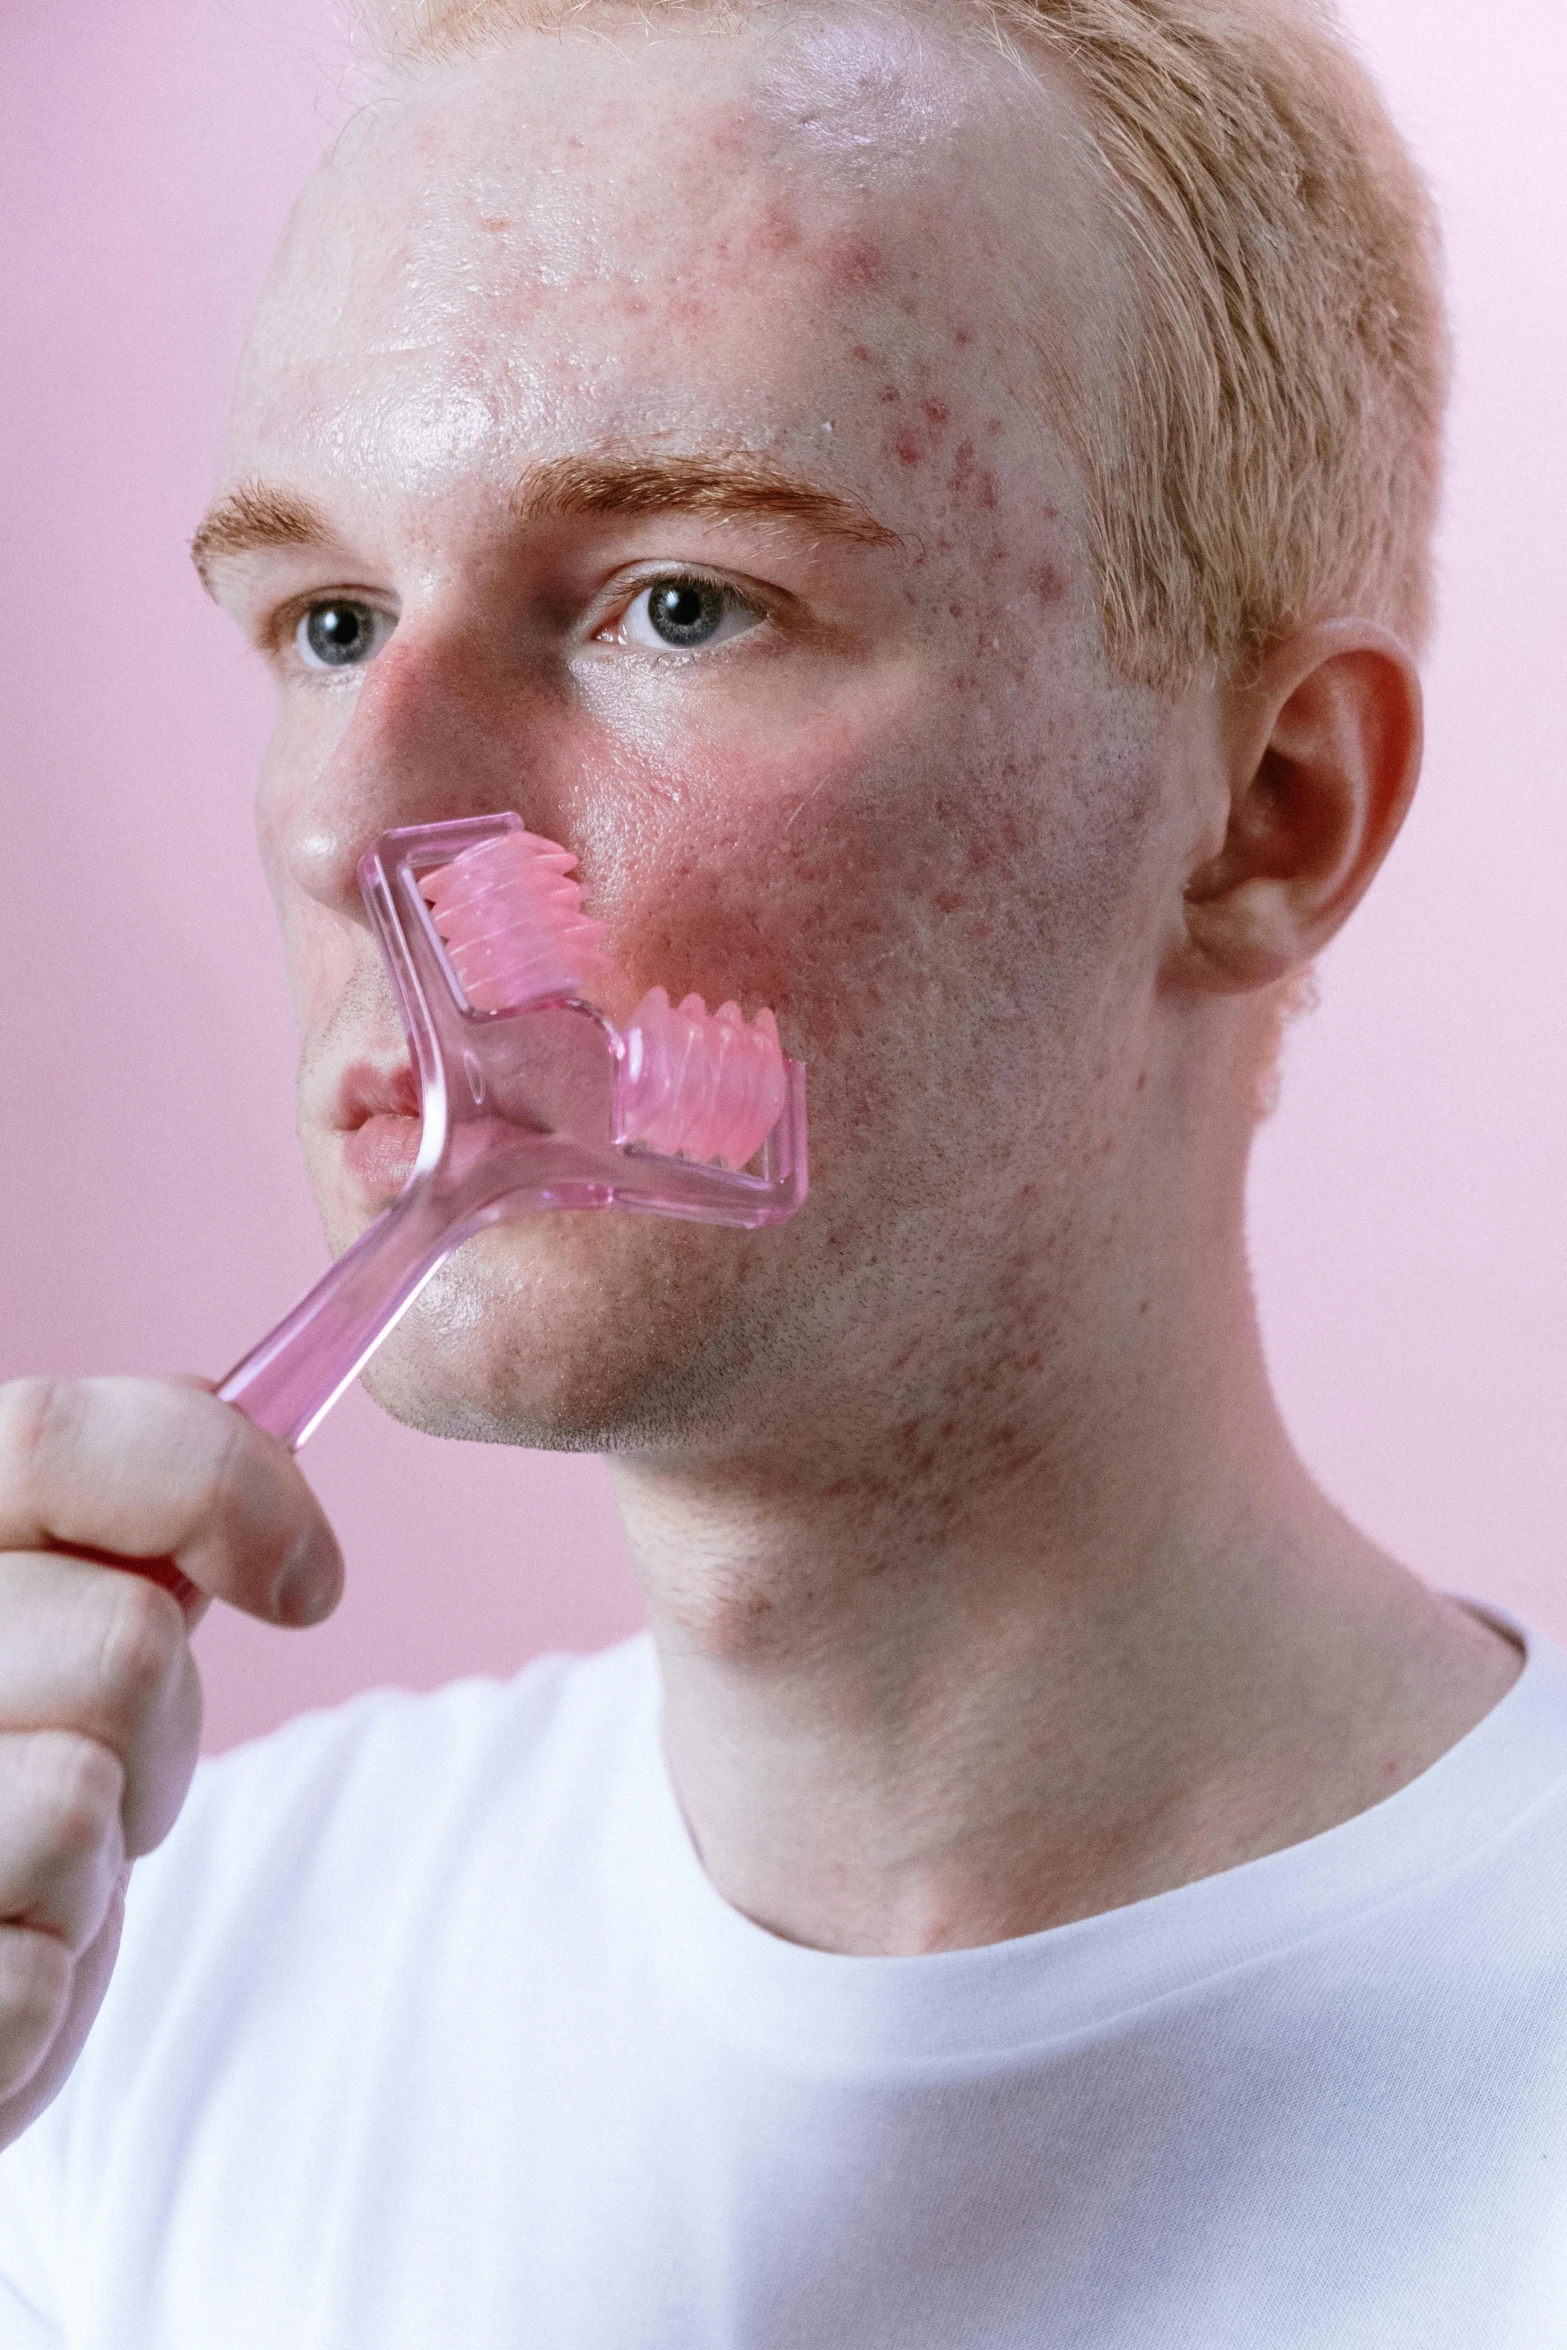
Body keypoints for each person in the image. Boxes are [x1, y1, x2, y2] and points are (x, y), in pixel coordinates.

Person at [0, 0, 1562, 2340]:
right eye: (325, 622)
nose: (353, 822)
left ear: (1270, 812)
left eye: (679, 600)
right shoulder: (140, 1996)